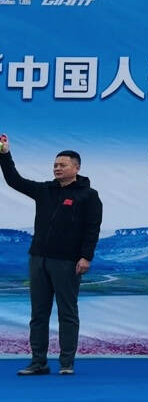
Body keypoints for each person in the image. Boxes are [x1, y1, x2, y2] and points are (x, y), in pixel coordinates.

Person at [0, 142, 102, 376]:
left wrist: (86, 257)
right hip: (38, 259)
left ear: (76, 168)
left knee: (67, 313)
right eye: (55, 165)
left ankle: (66, 363)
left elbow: (92, 228)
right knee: (38, 314)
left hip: (67, 261)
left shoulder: (88, 195)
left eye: (62, 165)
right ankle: (38, 362)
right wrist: (5, 155)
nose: (57, 168)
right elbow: (14, 180)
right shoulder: (44, 190)